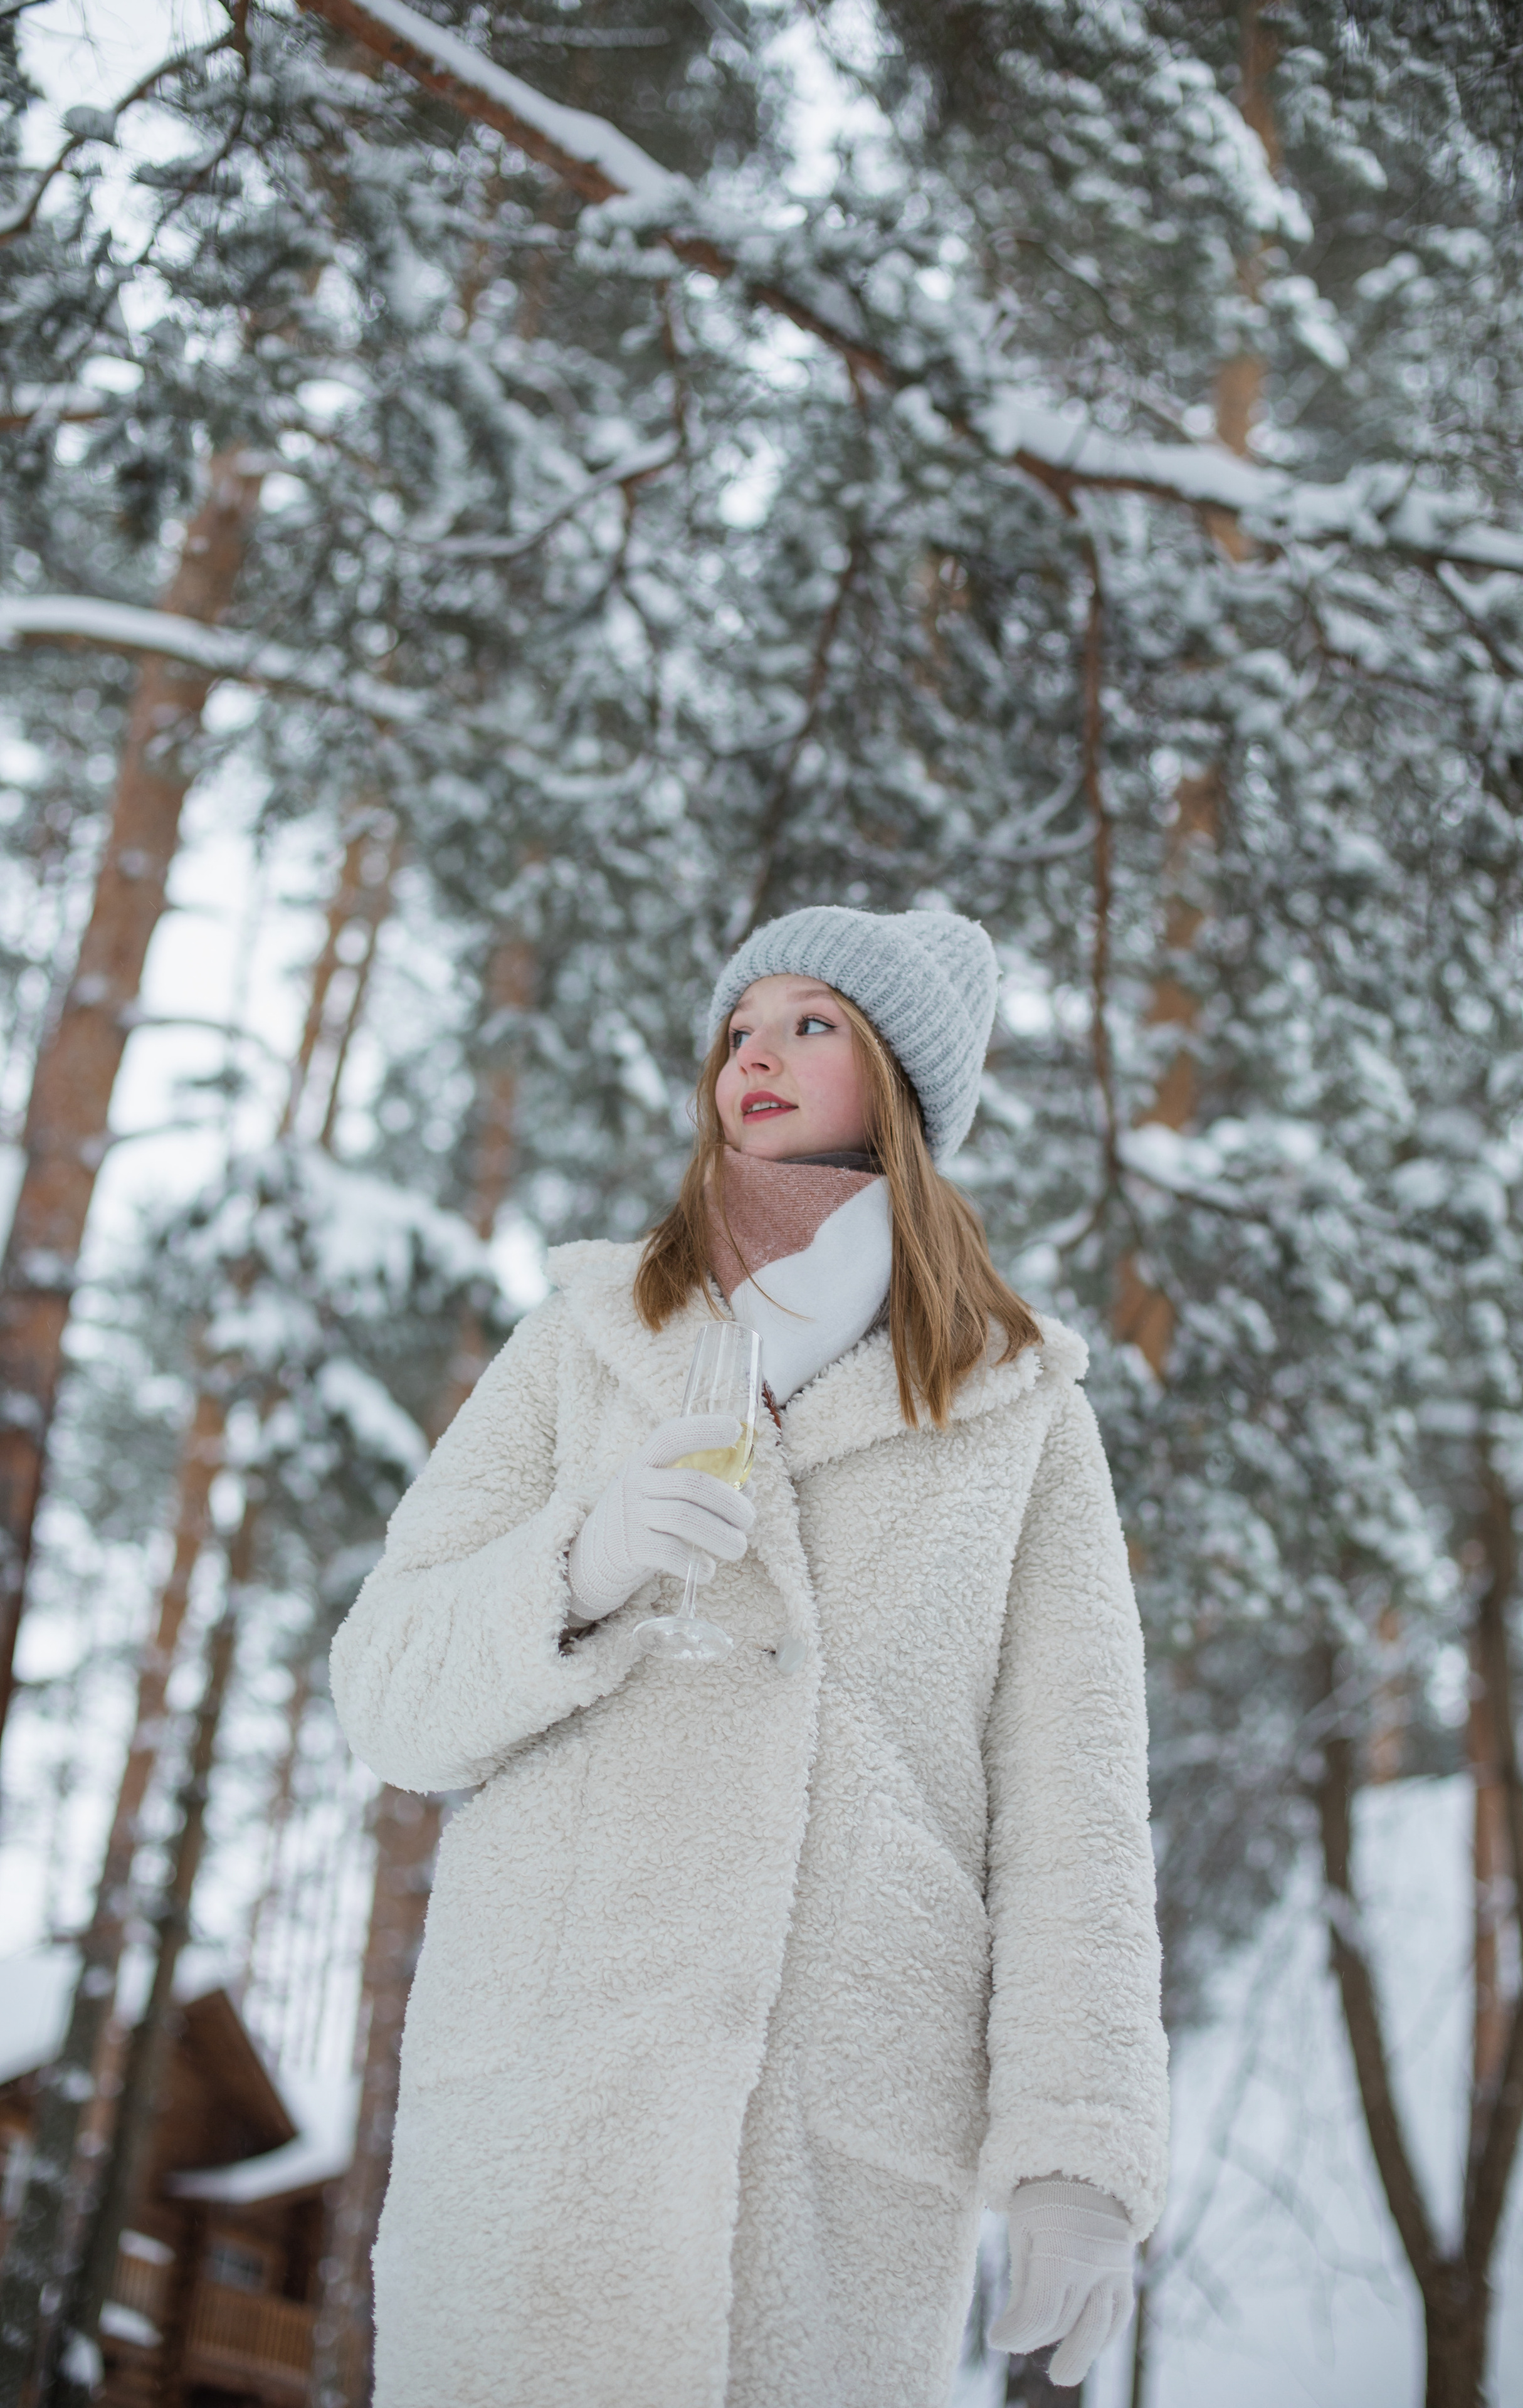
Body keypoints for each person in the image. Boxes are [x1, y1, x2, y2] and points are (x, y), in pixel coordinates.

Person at [331, 905, 1168, 2408]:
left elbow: (1077, 1810)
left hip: (835, 2150)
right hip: (543, 2128)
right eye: (737, 1028)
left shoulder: (1020, 1413)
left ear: (901, 1084)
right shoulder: (585, 1337)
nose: (755, 1055)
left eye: (811, 1023)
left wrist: (1076, 2150)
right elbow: (384, 1689)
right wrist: (575, 1570)